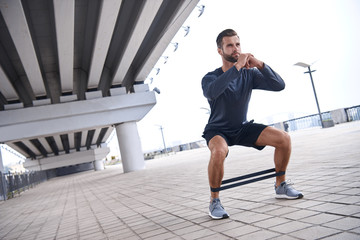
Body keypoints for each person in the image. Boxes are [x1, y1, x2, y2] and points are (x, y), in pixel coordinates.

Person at [201, 29, 303, 220]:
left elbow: (279, 85)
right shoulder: (210, 77)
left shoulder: (249, 75)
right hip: (217, 130)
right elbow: (212, 92)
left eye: (237, 44)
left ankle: (280, 185)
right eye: (229, 45)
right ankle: (214, 200)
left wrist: (261, 65)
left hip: (242, 127)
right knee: (218, 151)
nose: (235, 49)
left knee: (284, 139)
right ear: (219, 50)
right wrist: (237, 67)